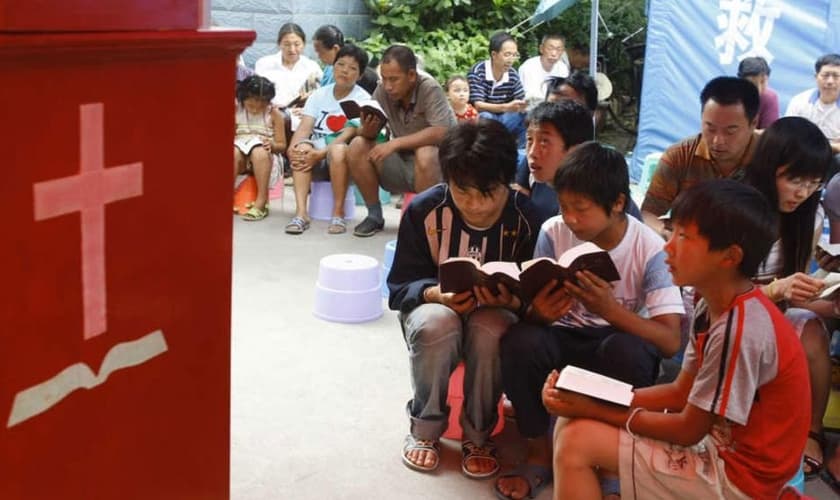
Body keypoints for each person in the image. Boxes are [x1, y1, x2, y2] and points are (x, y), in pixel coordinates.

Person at [544, 179, 809, 500]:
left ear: (729, 257)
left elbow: (688, 429)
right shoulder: (709, 306)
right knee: (570, 424)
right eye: (672, 232)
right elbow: (680, 391)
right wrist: (592, 399)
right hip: (718, 449)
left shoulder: (739, 329)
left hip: (739, 479)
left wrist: (596, 409)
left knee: (577, 442)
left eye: (683, 236)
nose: (667, 246)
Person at [496, 142, 684, 500]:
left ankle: (612, 467)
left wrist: (611, 311)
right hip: (563, 337)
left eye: (581, 209)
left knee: (627, 351)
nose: (570, 218)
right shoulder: (553, 232)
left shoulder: (650, 249)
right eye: (564, 206)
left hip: (617, 342)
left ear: (616, 203)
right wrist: (538, 313)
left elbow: (671, 341)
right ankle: (538, 453)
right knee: (520, 340)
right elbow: (534, 305)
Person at [387, 120, 544, 479]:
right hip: (436, 312)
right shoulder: (425, 211)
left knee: (490, 327)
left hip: (496, 317)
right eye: (462, 191)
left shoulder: (528, 218)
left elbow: (536, 296)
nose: (474, 205)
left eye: (487, 193)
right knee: (436, 323)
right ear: (448, 181)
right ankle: (424, 429)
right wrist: (434, 294)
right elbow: (398, 288)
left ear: (507, 182)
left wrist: (513, 301)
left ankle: (479, 434)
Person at [744, 116, 834, 480]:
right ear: (769, 168)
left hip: (772, 314)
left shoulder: (808, 217)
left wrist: (824, 289)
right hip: (727, 320)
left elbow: (792, 300)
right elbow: (710, 294)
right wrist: (774, 290)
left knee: (814, 330)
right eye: (794, 180)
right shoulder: (737, 211)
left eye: (813, 184)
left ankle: (812, 430)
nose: (802, 192)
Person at [347, 45, 456, 237]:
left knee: (426, 152)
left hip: (439, 168)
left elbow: (441, 132)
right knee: (357, 145)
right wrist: (368, 130)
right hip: (402, 164)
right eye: (384, 79)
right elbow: (369, 133)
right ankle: (374, 216)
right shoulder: (383, 91)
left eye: (394, 79)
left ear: (412, 75)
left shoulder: (429, 87)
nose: (388, 86)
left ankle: (425, 222)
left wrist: (395, 143)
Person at [641, 76, 760, 237]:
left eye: (730, 131)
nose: (718, 141)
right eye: (710, 128)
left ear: (753, 124)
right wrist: (667, 234)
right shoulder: (679, 156)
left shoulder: (771, 154)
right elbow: (647, 214)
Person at [284, 44, 371, 235]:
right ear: (333, 65)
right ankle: (301, 214)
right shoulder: (319, 94)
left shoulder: (362, 99)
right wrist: (293, 148)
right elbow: (304, 127)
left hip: (342, 159)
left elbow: (348, 134)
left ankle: (338, 213)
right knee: (301, 148)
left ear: (360, 75)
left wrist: (320, 154)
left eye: (352, 68)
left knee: (338, 149)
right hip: (315, 154)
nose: (345, 71)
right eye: (341, 64)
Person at [233, 75, 287, 221]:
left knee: (259, 151)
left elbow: (282, 145)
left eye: (262, 102)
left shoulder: (274, 114)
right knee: (233, 152)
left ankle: (261, 201)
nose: (257, 106)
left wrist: (272, 145)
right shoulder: (236, 111)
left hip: (266, 159)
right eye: (252, 101)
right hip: (240, 155)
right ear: (243, 97)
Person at [254, 23, 323, 128]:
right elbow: (255, 95)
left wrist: (307, 109)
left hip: (301, 119)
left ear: (303, 44)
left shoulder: (312, 67)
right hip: (269, 117)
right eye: (287, 44)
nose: (292, 49)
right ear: (279, 44)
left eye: (297, 44)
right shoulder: (264, 64)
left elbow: (319, 97)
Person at [467, 32, 528, 146]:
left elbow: (521, 99)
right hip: (484, 118)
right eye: (507, 54)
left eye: (514, 55)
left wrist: (525, 104)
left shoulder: (512, 74)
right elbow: (478, 106)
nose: (511, 59)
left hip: (505, 119)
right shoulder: (478, 71)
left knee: (527, 116)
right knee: (486, 117)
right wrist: (506, 107)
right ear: (494, 55)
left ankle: (521, 153)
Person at [785, 53, 840, 156]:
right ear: (816, 77)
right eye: (825, 75)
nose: (830, 81)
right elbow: (788, 134)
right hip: (803, 155)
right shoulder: (799, 101)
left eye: (836, 76)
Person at [518, 34, 570, 104]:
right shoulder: (528, 67)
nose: (554, 53)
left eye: (558, 49)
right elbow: (528, 97)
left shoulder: (562, 68)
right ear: (541, 49)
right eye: (550, 49)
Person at [737, 56, 779, 130]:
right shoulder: (728, 97)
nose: (758, 89)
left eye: (763, 82)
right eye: (752, 83)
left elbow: (769, 133)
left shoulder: (769, 97)